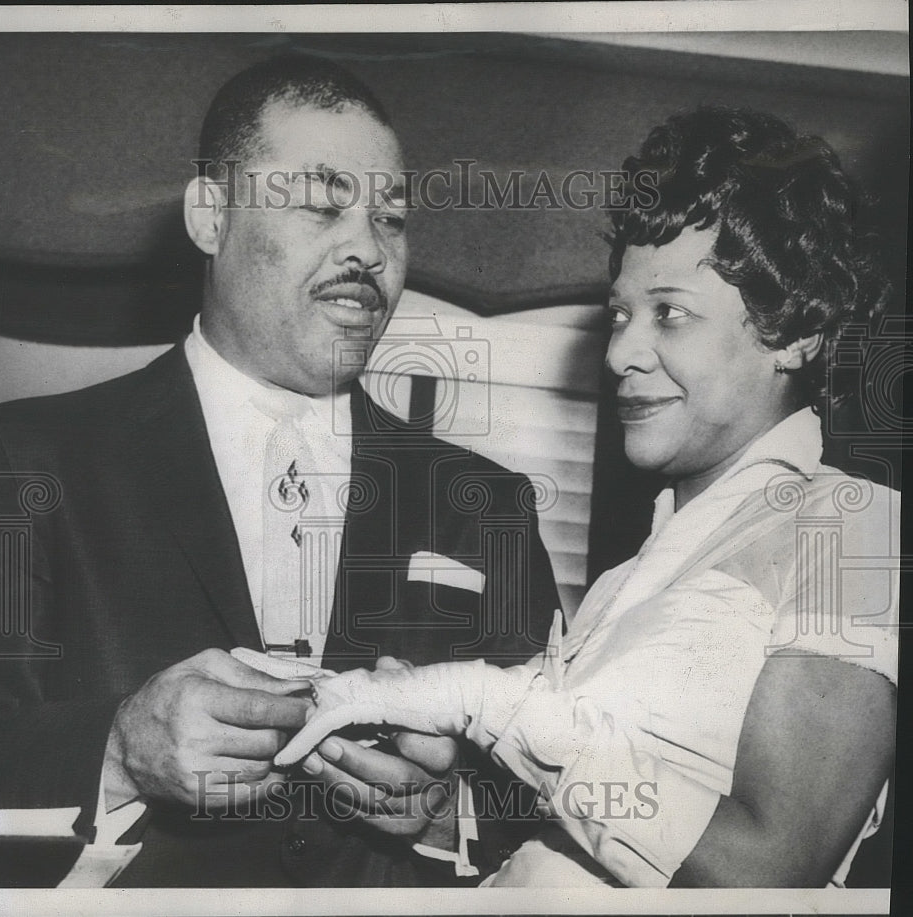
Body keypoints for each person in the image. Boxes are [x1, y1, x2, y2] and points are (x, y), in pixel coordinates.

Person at [0, 54, 560, 887]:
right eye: (322, 204)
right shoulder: (22, 462)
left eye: (392, 219)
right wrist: (116, 747)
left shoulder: (487, 506)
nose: (367, 249)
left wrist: (452, 813)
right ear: (210, 216)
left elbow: (562, 789)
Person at [275, 106, 900, 888]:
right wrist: (437, 812)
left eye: (669, 314)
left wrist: (482, 700)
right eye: (620, 314)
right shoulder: (626, 579)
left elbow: (772, 864)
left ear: (793, 334)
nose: (620, 354)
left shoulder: (851, 529)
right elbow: (581, 834)